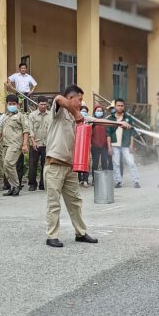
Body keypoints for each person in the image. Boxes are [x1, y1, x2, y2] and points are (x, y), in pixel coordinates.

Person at [44, 85, 97, 248]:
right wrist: (76, 114)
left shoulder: (80, 117)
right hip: (54, 166)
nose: (81, 103)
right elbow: (59, 99)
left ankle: (80, 233)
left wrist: (119, 123)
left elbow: (97, 120)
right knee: (54, 203)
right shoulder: (58, 112)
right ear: (71, 98)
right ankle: (52, 236)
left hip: (70, 167)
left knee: (75, 202)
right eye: (79, 100)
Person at [0, 95, 30, 197]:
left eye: (14, 104)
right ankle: (12, 186)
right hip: (5, 144)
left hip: (15, 144)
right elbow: (0, 131)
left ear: (18, 104)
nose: (12, 106)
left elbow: (26, 131)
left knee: (9, 163)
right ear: (7, 104)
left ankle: (16, 186)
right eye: (10, 104)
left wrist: (25, 144)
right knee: (5, 166)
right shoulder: (5, 116)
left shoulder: (21, 116)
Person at [107, 98, 140, 188]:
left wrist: (131, 145)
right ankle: (118, 182)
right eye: (118, 105)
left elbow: (132, 133)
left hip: (126, 145)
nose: (120, 107)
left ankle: (136, 181)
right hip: (115, 145)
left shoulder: (128, 118)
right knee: (116, 164)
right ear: (115, 106)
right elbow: (108, 134)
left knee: (131, 163)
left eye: (122, 105)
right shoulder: (111, 118)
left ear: (124, 106)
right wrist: (109, 147)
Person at [27, 95, 50, 191]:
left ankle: (43, 184)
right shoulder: (32, 115)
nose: (43, 106)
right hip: (35, 144)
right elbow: (30, 129)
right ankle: (32, 184)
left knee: (45, 165)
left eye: (45, 104)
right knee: (33, 165)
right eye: (41, 104)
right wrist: (33, 142)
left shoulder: (51, 115)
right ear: (38, 104)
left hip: (47, 144)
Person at [91, 104, 111, 175]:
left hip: (104, 146)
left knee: (104, 162)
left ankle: (105, 178)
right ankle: (94, 179)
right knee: (95, 163)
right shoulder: (92, 122)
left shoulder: (105, 122)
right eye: (97, 111)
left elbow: (108, 134)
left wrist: (109, 146)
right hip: (94, 146)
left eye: (100, 111)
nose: (99, 112)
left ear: (103, 112)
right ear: (94, 112)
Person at [77, 105, 91, 187]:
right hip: (78, 144)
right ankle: (80, 180)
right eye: (82, 111)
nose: (84, 113)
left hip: (87, 144)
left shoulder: (89, 121)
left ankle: (85, 180)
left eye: (85, 111)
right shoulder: (76, 120)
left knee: (87, 162)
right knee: (78, 161)